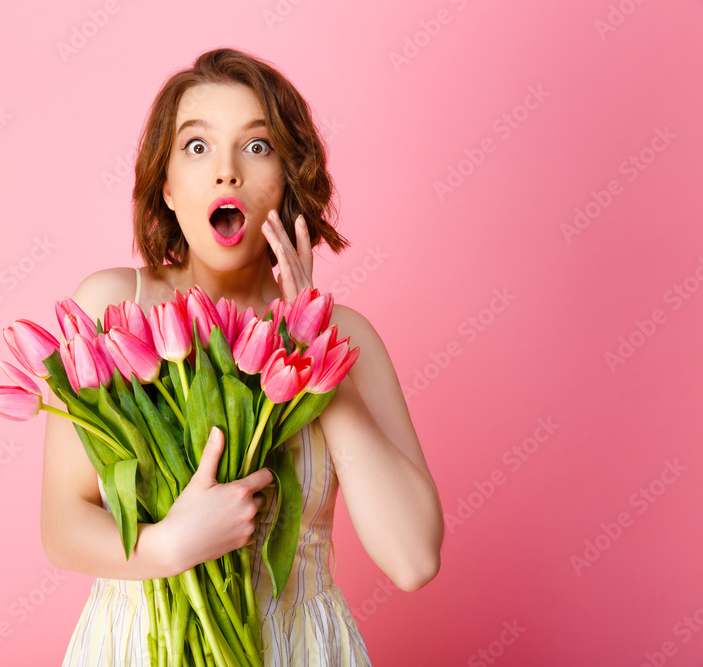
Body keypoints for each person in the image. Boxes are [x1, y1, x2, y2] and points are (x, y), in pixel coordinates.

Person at [41, 47, 444, 665]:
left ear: (287, 179)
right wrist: (169, 548)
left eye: (257, 147)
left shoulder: (348, 339)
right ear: (168, 186)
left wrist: (313, 351)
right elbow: (62, 525)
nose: (226, 172)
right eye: (197, 148)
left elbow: (413, 559)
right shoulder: (111, 308)